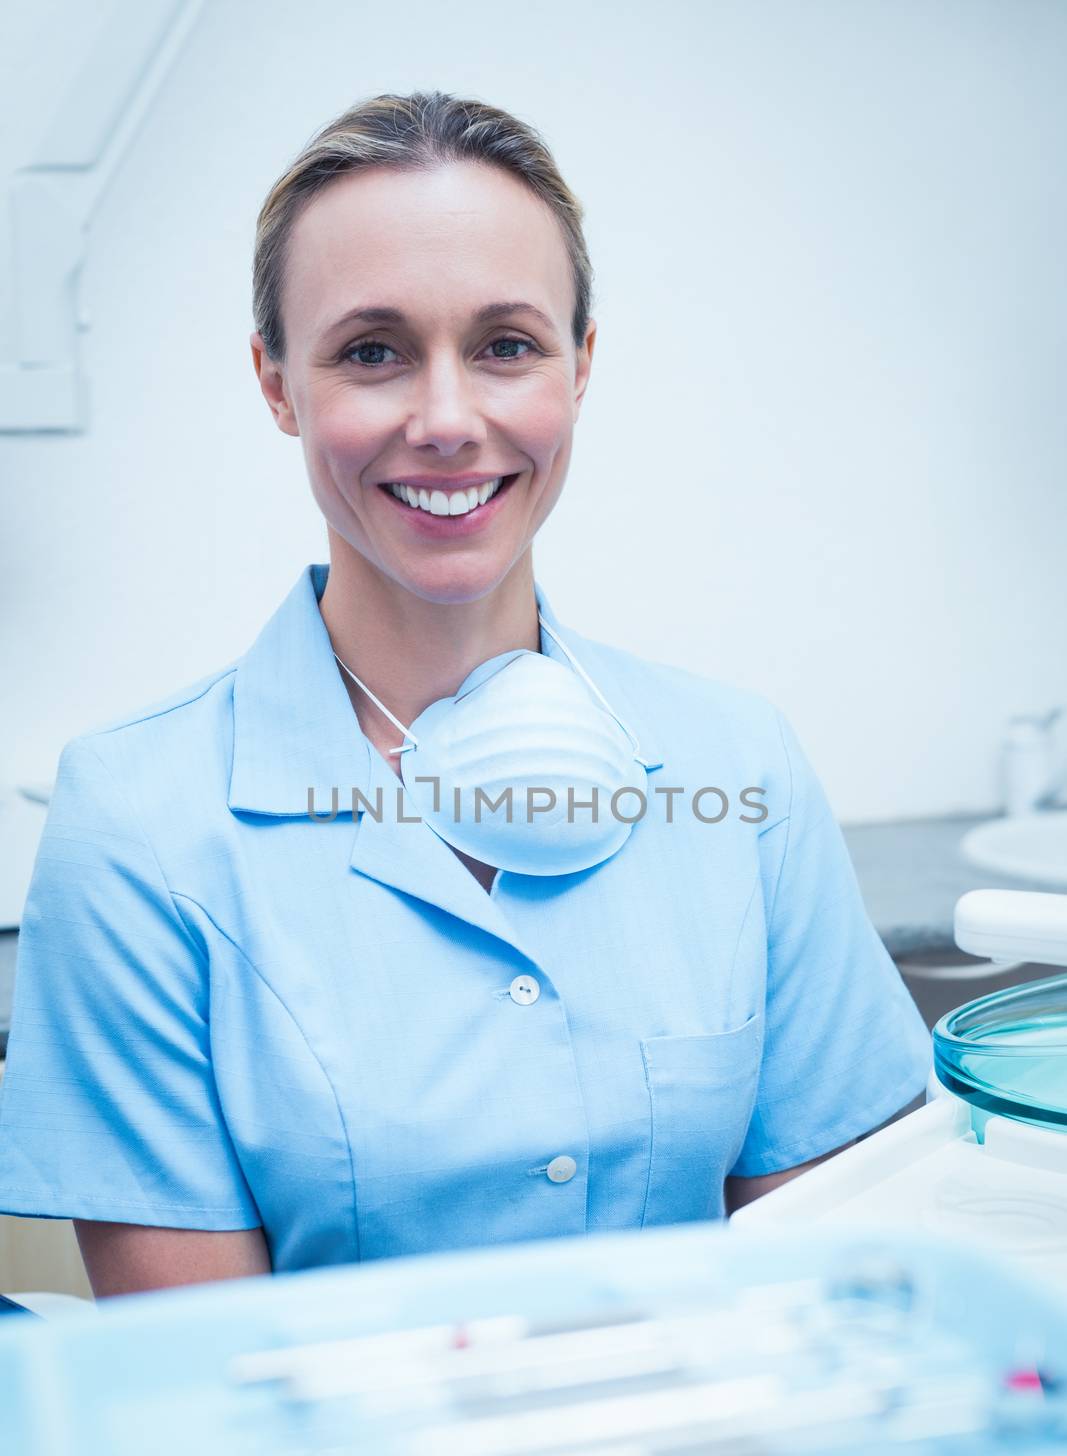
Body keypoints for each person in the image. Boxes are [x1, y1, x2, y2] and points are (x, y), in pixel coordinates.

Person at [0, 91, 931, 1299]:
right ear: (277, 384)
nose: (447, 421)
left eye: (505, 345)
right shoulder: (137, 825)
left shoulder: (733, 771)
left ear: (579, 368)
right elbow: (199, 1389)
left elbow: (841, 1283)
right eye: (371, 351)